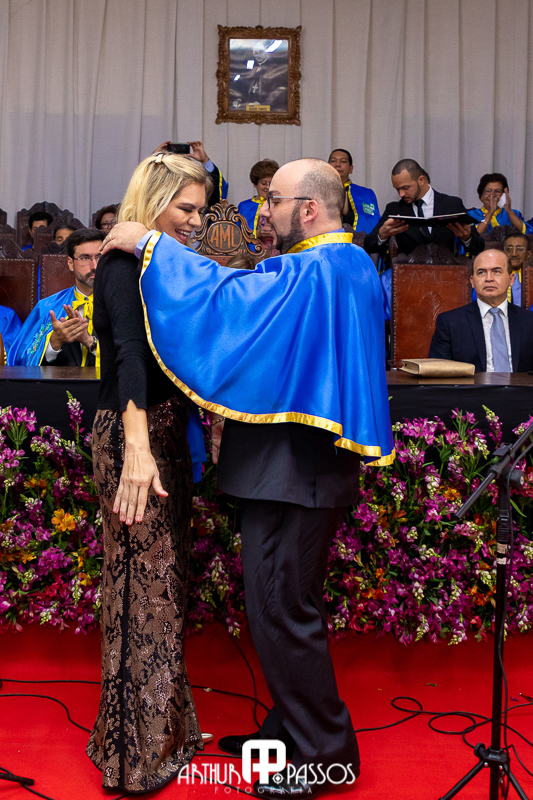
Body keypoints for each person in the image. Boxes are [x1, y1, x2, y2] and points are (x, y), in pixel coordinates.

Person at [101, 157, 394, 798]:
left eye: (274, 202)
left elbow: (231, 300)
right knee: (278, 606)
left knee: (283, 608)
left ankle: (326, 753)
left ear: (308, 209)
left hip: (298, 472)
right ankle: (290, 731)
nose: (263, 213)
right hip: (292, 471)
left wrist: (151, 244)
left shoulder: (324, 266)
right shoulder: (336, 266)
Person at [86, 152, 211, 793]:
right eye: (185, 208)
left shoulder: (165, 260)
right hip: (133, 436)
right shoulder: (119, 263)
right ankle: (133, 755)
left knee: (164, 587)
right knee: (143, 589)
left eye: (201, 210)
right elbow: (130, 355)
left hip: (166, 434)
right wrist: (138, 449)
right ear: (153, 200)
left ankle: (167, 729)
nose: (195, 220)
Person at [8, 229, 105, 366]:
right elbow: (21, 360)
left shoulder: (123, 306)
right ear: (70, 263)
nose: (94, 266)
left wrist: (90, 342)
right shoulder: (47, 307)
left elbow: (133, 357)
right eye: (85, 258)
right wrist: (54, 343)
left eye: (99, 257)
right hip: (62, 379)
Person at [429, 248, 533, 372]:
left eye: (496, 271)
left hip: (520, 385)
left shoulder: (529, 321)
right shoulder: (450, 323)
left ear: (511, 279)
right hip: (473, 385)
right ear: (472, 282)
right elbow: (437, 372)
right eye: (481, 272)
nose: (489, 278)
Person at [364, 158, 485, 258]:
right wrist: (381, 235)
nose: (401, 194)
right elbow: (369, 246)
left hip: (446, 274)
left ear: (421, 180)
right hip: (408, 275)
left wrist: (467, 238)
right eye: (397, 189)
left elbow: (479, 247)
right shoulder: (394, 209)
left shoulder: (452, 205)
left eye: (405, 188)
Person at [328, 149, 380, 233]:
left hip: (356, 239)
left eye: (343, 161)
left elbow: (372, 223)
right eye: (333, 161)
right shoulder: (318, 192)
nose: (337, 165)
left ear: (351, 169)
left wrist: (346, 213)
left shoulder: (365, 194)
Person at [238, 159, 279, 235]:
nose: (268, 187)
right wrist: (257, 234)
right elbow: (237, 234)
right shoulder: (244, 206)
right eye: (263, 183)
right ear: (255, 184)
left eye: (271, 183)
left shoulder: (280, 205)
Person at [502, 232, 531, 305]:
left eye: (520, 249)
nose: (514, 254)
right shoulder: (492, 276)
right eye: (509, 249)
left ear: (528, 254)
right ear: (503, 252)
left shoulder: (531, 276)